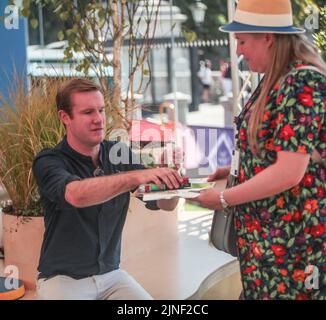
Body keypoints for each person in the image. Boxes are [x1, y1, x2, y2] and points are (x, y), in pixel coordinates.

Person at [194, 0, 326, 300]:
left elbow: (289, 172)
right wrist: (233, 171)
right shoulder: (276, 78)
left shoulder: (302, 80)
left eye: (242, 41)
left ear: (268, 37)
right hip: (268, 248)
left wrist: (224, 198)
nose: (238, 51)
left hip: (293, 251)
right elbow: (279, 153)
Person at [32, 78, 184, 300]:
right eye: (88, 112)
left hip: (112, 277)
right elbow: (75, 194)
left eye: (101, 110)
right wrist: (137, 175)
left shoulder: (118, 153)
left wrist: (168, 178)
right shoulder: (48, 160)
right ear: (65, 117)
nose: (98, 120)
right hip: (62, 281)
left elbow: (165, 205)